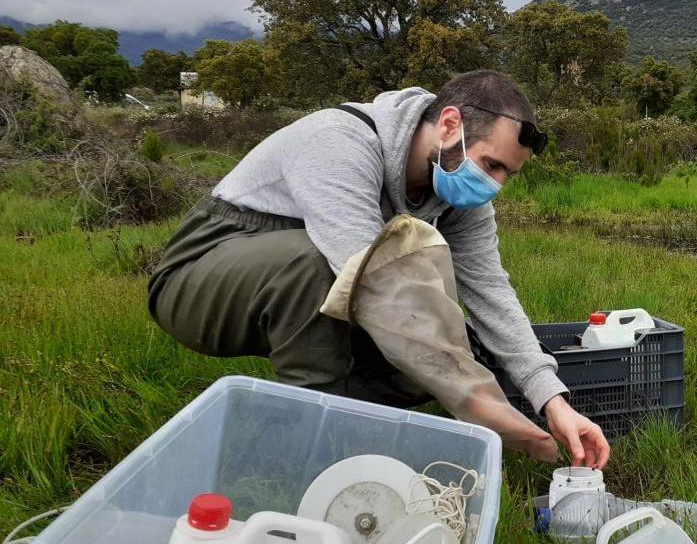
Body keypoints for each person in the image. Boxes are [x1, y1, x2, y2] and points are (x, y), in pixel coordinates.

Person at [148, 70, 609, 469]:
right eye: (491, 164)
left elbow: (491, 291)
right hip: (199, 278)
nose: (495, 186)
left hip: (308, 281)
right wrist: (480, 402)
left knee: (453, 340)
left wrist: (552, 399)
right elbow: (374, 286)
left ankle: (362, 429)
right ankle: (314, 453)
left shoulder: (459, 195)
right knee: (328, 271)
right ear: (450, 125)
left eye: (508, 174)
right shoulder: (338, 142)